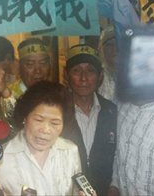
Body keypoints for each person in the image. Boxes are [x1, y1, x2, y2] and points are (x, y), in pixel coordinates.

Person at [0, 81, 81, 195]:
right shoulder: (0, 159)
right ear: (25, 117)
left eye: (55, 123)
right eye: (38, 120)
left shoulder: (70, 151)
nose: (45, 129)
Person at [62, 44, 117, 196]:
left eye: (90, 71)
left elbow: (119, 156)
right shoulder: (58, 113)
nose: (83, 78)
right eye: (76, 70)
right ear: (66, 76)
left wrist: (114, 187)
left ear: (100, 77)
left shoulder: (112, 112)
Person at [0, 38, 51, 125]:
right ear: (20, 66)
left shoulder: (57, 93)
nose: (38, 71)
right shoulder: (8, 95)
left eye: (43, 63)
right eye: (30, 64)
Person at [97, 26, 117, 103]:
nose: (115, 48)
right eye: (109, 44)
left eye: (119, 43)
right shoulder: (96, 77)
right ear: (102, 48)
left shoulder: (135, 78)